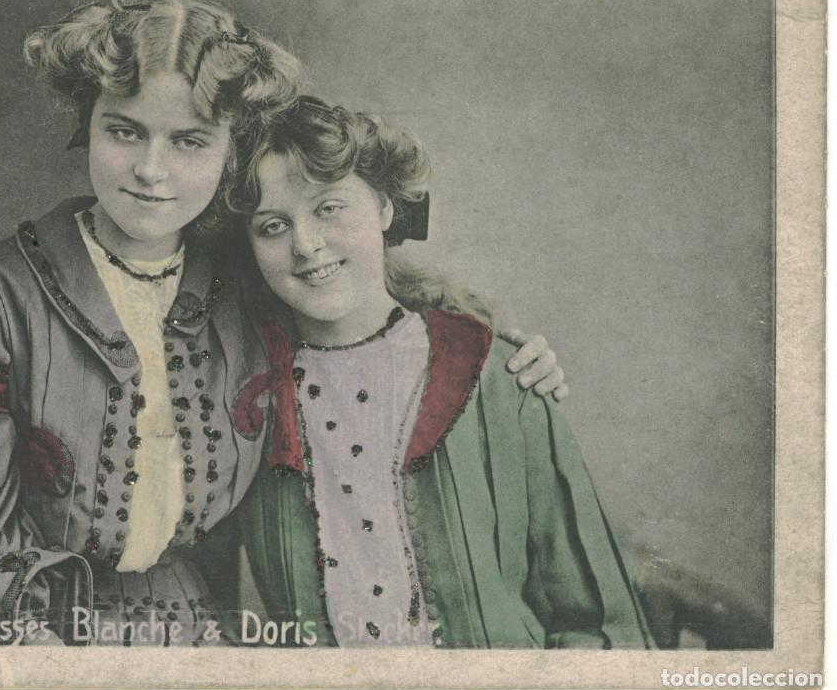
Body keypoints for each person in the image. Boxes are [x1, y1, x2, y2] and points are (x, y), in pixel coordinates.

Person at [0, 0, 566, 646]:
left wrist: (499, 347)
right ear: (85, 123)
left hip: (194, 636)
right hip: (29, 638)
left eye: (189, 141)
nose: (151, 170)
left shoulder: (243, 282)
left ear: (229, 151)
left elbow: (364, 309)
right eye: (124, 131)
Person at [230, 97, 653, 648]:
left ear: (384, 206)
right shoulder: (245, 400)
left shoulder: (497, 378)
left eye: (329, 207)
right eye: (273, 226)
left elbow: (599, 622)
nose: (306, 245)